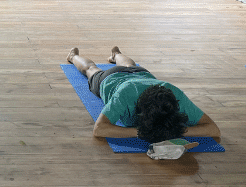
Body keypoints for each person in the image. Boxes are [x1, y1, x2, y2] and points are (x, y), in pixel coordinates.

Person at [67, 47, 220, 143]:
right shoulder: (124, 95)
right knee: (91, 69)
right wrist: (144, 132)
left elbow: (214, 129)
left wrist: (172, 131)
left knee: (130, 66)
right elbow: (99, 129)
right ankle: (73, 56)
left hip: (141, 74)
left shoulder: (174, 95)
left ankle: (116, 54)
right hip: (111, 78)